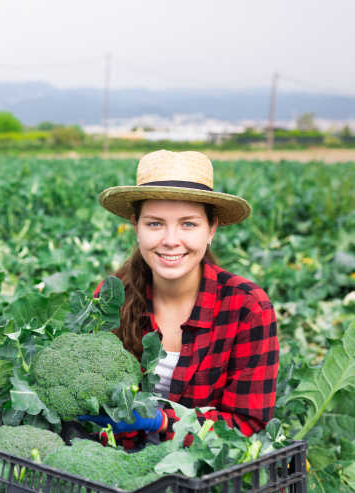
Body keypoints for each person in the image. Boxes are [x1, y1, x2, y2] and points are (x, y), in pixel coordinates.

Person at [82, 150, 279, 446]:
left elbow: (247, 425)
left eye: (188, 224)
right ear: (136, 226)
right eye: (155, 223)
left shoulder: (248, 307)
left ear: (211, 229)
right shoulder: (111, 297)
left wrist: (163, 421)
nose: (171, 240)